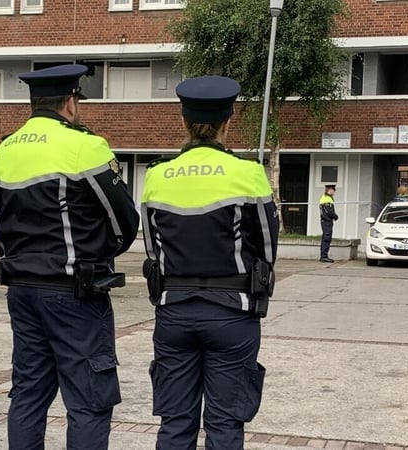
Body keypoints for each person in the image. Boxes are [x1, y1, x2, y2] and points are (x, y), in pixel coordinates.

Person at [0, 64, 140, 450]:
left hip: (21, 289)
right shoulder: (84, 147)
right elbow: (124, 219)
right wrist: (105, 251)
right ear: (71, 103)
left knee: (28, 394)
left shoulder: (5, 149)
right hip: (74, 291)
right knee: (89, 401)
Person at [140, 75, 279, 450]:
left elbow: (153, 252)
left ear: (183, 122)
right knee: (224, 424)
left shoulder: (156, 176)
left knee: (175, 422)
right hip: (232, 314)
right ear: (227, 121)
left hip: (174, 313)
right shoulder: (248, 174)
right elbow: (267, 247)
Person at [319, 184, 338, 263]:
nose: (334, 191)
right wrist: (335, 216)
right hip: (326, 221)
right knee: (326, 238)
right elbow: (328, 211)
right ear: (329, 190)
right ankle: (324, 256)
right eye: (333, 189)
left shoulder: (328, 198)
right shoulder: (326, 199)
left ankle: (324, 256)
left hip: (326, 221)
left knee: (326, 238)